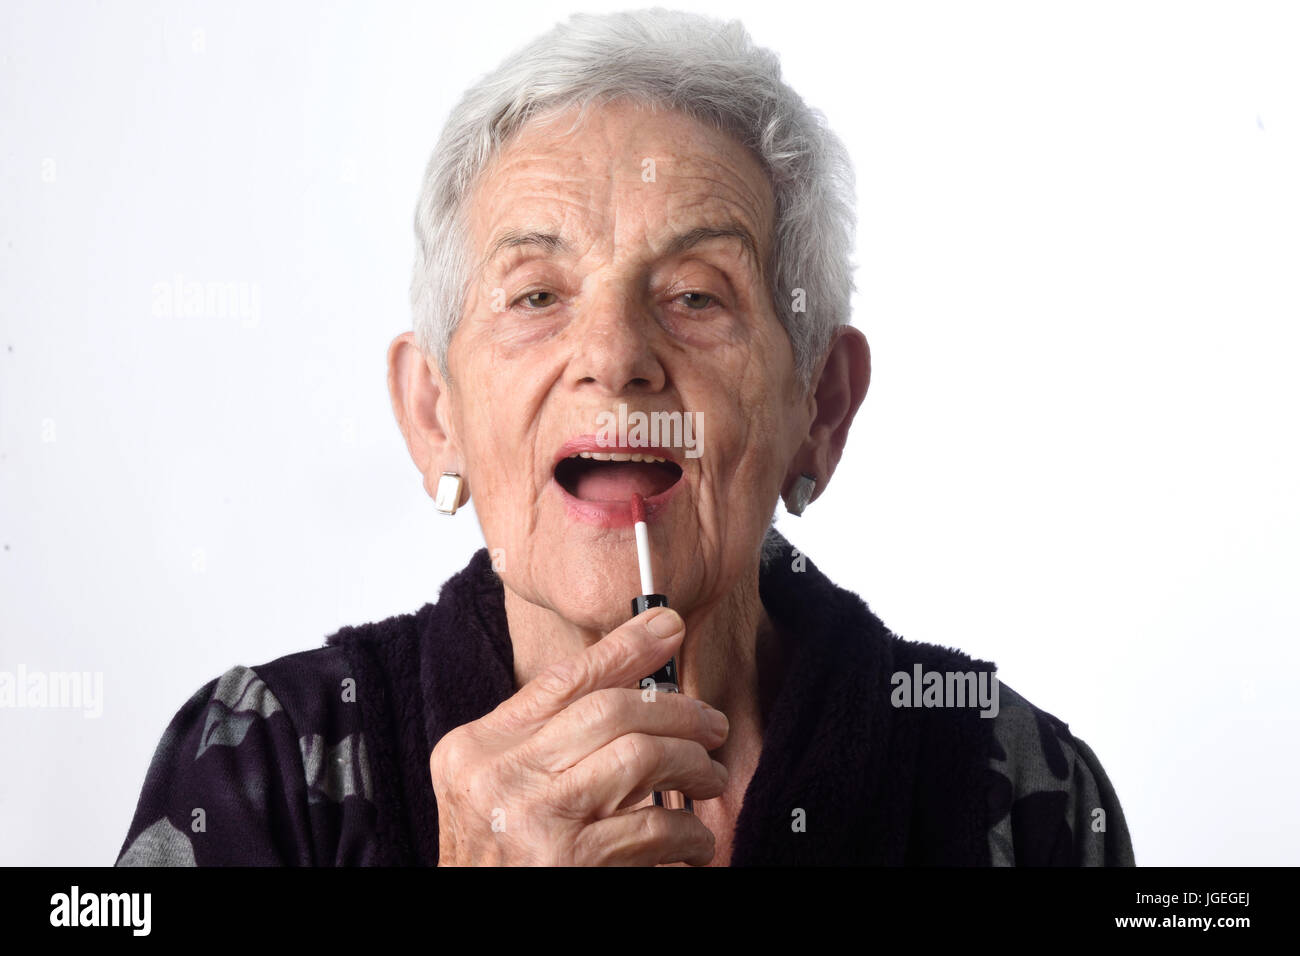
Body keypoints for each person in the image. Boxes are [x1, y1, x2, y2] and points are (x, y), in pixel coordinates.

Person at [116, 8, 1134, 867]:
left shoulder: (1021, 791)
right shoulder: (262, 764)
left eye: (697, 292)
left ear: (818, 405)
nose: (613, 353)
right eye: (535, 293)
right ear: (435, 413)